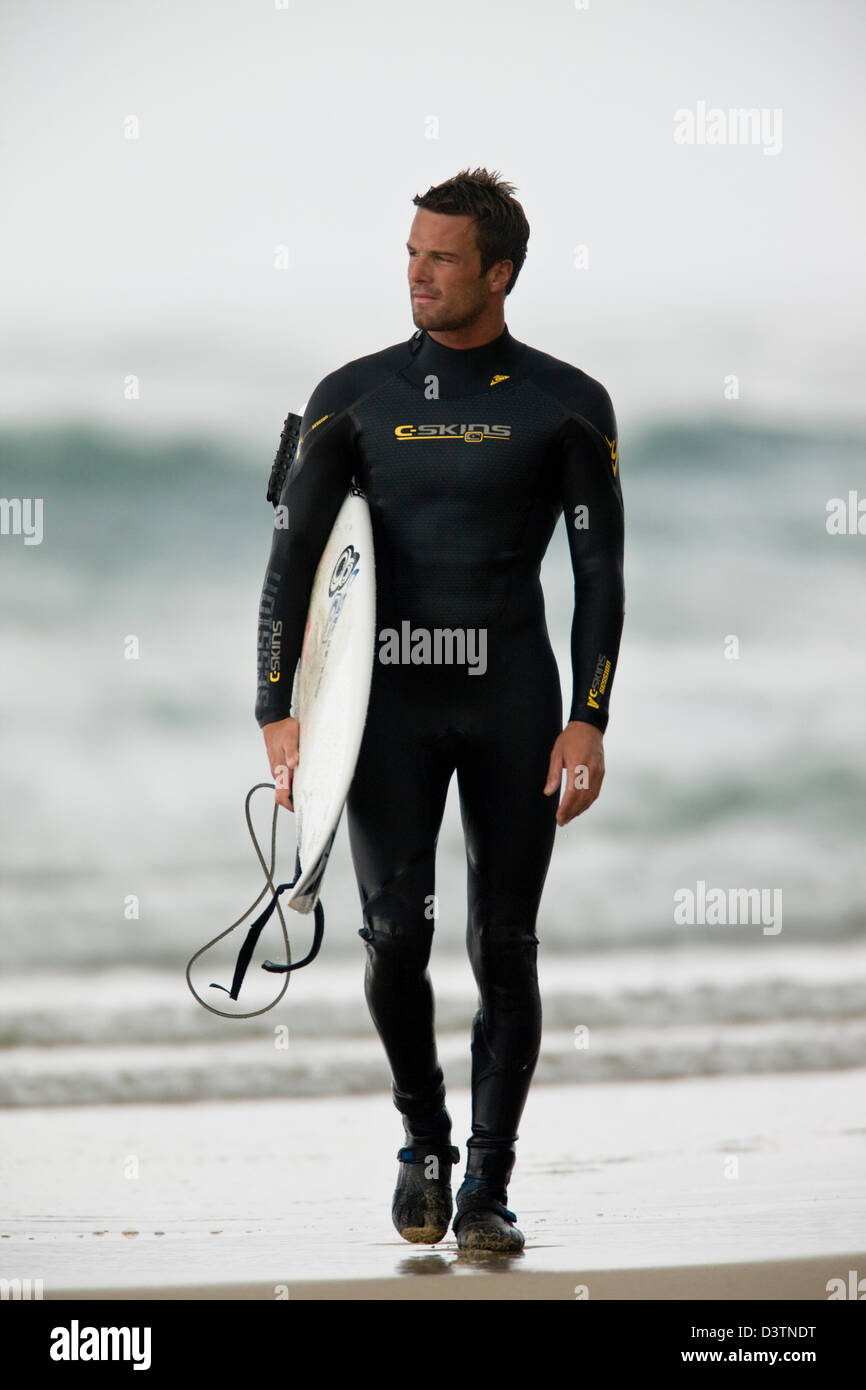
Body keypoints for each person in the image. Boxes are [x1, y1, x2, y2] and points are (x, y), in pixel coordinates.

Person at [256, 168, 625, 1253]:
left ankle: (488, 1189)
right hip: (385, 711)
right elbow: (290, 565)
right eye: (410, 253)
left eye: (441, 257)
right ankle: (424, 1139)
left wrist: (589, 716)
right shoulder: (351, 395)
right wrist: (278, 709)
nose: (417, 273)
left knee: (503, 947)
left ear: (497, 272)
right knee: (390, 939)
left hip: (514, 700)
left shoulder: (564, 403)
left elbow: (598, 575)